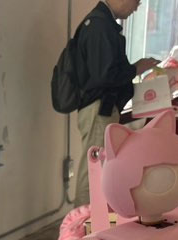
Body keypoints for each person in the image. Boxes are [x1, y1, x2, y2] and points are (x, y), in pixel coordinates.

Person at [73, 0, 158, 207]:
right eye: (136, 1)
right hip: (98, 108)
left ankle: (92, 219)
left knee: (100, 167)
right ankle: (82, 222)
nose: (136, 7)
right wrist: (136, 68)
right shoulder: (99, 25)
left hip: (103, 107)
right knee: (93, 169)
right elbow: (104, 75)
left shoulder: (104, 23)